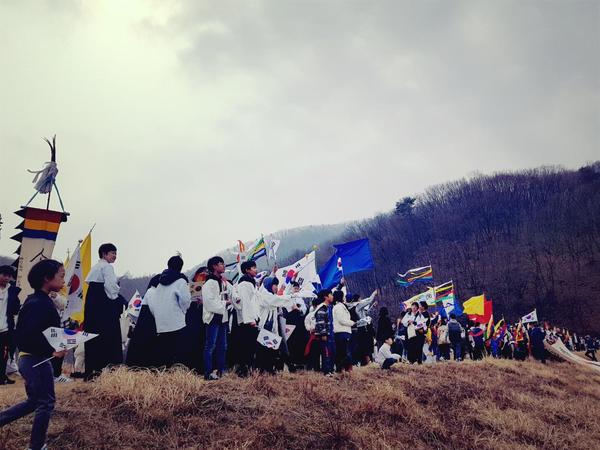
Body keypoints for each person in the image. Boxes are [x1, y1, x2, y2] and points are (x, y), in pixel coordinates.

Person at [0, 259, 67, 450]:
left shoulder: (40, 300)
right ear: (47, 278)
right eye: (61, 276)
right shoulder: (39, 303)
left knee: (34, 402)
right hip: (34, 359)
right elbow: (27, 336)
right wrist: (52, 350)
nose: (64, 280)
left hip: (33, 359)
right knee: (45, 403)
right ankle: (36, 447)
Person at [83, 243, 125, 380]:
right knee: (107, 334)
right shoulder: (107, 267)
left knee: (93, 334)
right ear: (104, 254)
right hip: (103, 303)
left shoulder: (96, 267)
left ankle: (91, 370)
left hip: (92, 302)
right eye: (112, 253)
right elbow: (111, 287)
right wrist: (116, 298)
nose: (115, 256)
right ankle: (106, 367)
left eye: (116, 253)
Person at [146, 255, 191, 368]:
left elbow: (155, 301)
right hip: (176, 321)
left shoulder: (160, 282)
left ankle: (163, 373)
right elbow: (185, 300)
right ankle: (173, 373)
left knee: (164, 350)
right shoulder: (181, 280)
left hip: (161, 321)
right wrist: (183, 311)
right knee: (177, 351)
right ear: (181, 267)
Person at [202, 256, 231, 380]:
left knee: (222, 346)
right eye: (221, 264)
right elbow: (209, 303)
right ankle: (208, 373)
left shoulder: (222, 282)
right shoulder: (209, 283)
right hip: (213, 317)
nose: (223, 266)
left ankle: (220, 371)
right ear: (214, 266)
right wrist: (225, 303)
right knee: (210, 346)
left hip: (222, 317)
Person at [125, 275, 160, 368]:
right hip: (147, 325)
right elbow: (154, 309)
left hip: (146, 325)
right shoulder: (152, 291)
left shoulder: (152, 292)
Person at [234, 261, 260, 377]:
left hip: (250, 319)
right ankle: (244, 371)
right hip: (247, 321)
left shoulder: (250, 282)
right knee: (246, 346)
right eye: (253, 268)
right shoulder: (245, 283)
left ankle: (247, 370)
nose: (256, 270)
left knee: (249, 346)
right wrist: (250, 320)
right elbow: (246, 303)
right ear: (247, 270)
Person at [179, 267, 207, 373]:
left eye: (205, 274)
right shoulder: (190, 286)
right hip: (191, 315)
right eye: (201, 273)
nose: (203, 275)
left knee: (202, 341)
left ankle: (200, 367)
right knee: (191, 340)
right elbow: (185, 301)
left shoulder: (210, 285)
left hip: (204, 316)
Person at [0, 265, 21, 385]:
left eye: (8, 276)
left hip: (5, 328)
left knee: (4, 355)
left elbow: (15, 309)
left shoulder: (12, 291)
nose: (6, 278)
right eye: (4, 274)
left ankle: (2, 377)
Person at [314, 289, 335, 375]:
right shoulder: (322, 308)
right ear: (326, 297)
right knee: (325, 353)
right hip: (323, 335)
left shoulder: (327, 307)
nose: (332, 296)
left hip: (327, 334)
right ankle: (325, 371)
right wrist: (323, 333)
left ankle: (328, 370)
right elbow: (320, 321)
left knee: (328, 352)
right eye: (331, 294)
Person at [332, 290, 355, 372]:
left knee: (343, 352)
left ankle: (343, 369)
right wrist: (352, 323)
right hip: (341, 332)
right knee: (344, 352)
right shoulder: (338, 307)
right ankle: (342, 369)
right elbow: (341, 320)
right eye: (343, 296)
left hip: (345, 331)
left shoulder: (341, 306)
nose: (344, 297)